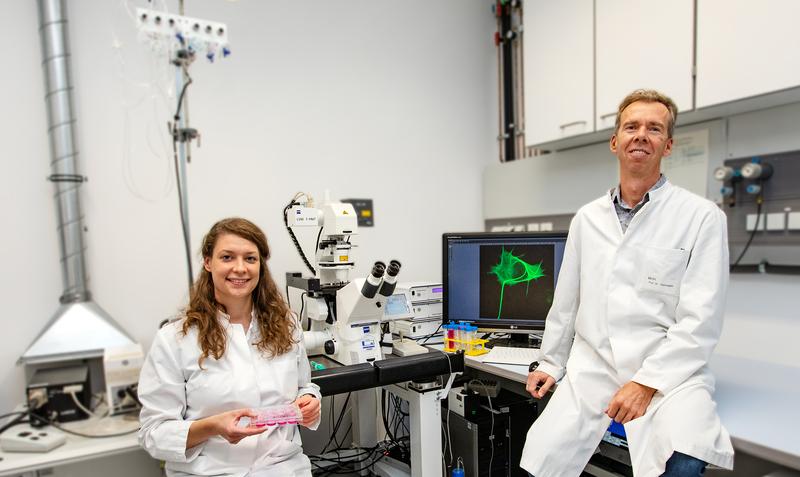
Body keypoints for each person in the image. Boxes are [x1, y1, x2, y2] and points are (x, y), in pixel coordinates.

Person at [520, 90, 734, 477]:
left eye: (654, 128)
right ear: (615, 141)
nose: (641, 135)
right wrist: (552, 361)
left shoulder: (702, 217)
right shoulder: (587, 218)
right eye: (631, 126)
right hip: (594, 366)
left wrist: (647, 383)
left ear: (667, 145)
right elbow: (567, 300)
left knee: (682, 461)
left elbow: (700, 321)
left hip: (670, 374)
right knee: (541, 461)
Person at [138, 217, 322, 476]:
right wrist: (213, 426)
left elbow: (305, 385)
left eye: (250, 258)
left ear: (261, 265)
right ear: (208, 262)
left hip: (282, 468)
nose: (240, 268)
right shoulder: (175, 339)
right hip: (210, 471)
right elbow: (153, 432)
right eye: (227, 257)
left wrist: (310, 399)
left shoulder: (287, 324)